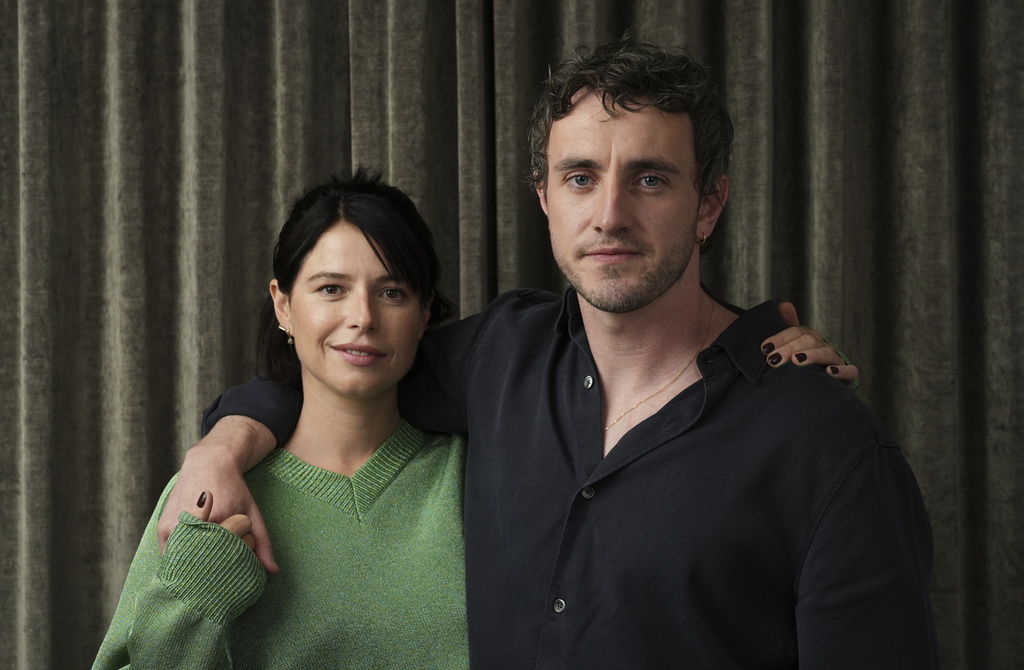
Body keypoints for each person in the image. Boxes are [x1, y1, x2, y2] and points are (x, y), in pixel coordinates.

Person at [156, 37, 937, 667]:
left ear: (710, 204)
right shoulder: (499, 355)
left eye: (652, 180)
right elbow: (340, 367)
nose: (609, 214)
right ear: (543, 198)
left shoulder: (827, 446)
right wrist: (221, 448)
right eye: (580, 177)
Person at [93, 171, 470, 668]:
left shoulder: (475, 479)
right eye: (332, 288)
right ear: (284, 306)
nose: (363, 317)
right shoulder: (212, 490)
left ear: (424, 315)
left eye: (392, 292)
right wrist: (194, 602)